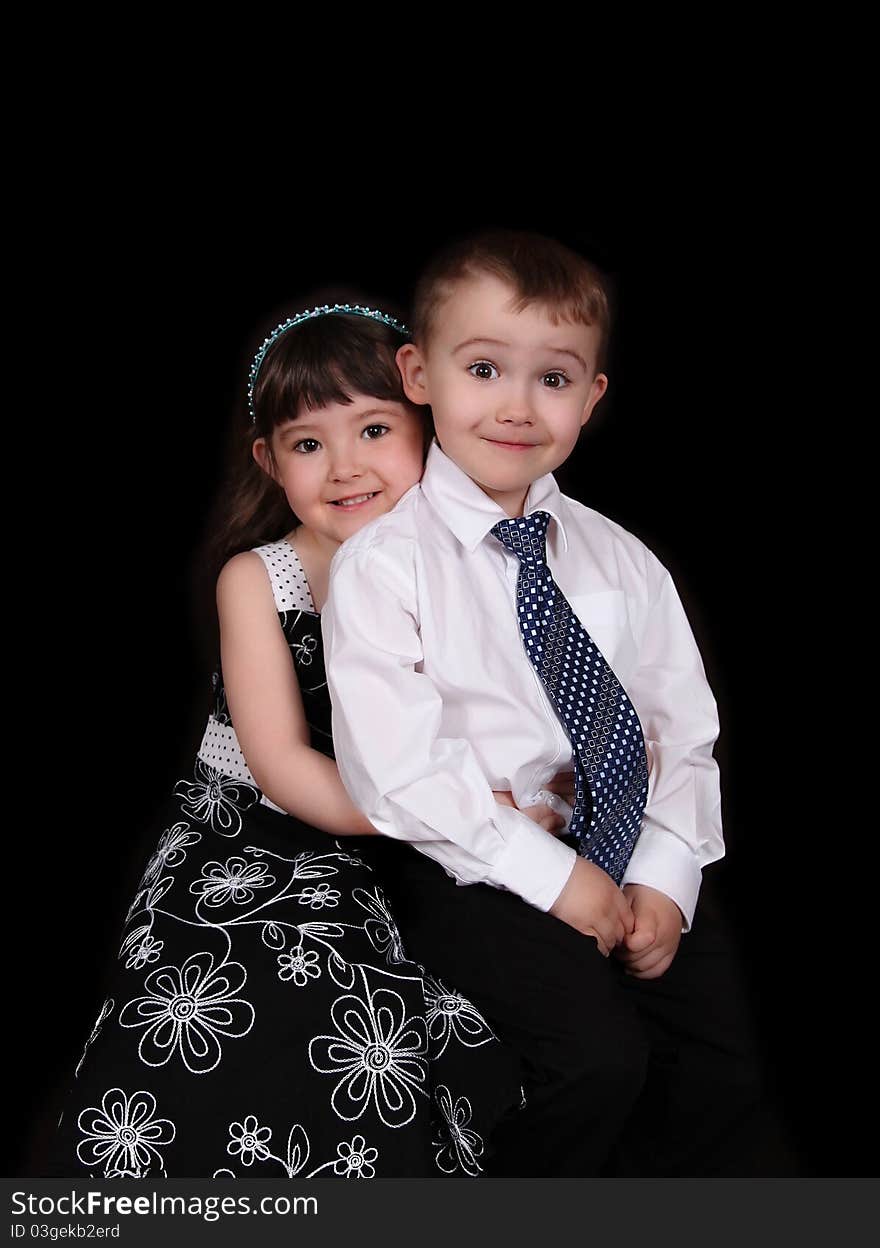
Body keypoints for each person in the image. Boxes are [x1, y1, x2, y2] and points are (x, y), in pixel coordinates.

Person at [322, 233, 777, 1177]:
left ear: (593, 397)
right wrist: (556, 877)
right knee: (594, 1063)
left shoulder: (619, 559)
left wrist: (666, 876)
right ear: (420, 373)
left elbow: (681, 731)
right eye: (484, 368)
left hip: (624, 844)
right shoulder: (386, 564)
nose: (518, 407)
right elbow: (397, 769)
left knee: (721, 1067)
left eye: (555, 380)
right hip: (473, 858)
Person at [46, 300, 530, 1179]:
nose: (346, 466)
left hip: (389, 835)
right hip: (255, 828)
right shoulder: (259, 579)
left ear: (430, 426)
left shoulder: (463, 564)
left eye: (375, 428)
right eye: (309, 444)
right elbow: (281, 764)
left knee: (420, 1020)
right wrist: (451, 813)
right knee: (245, 999)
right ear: (270, 462)